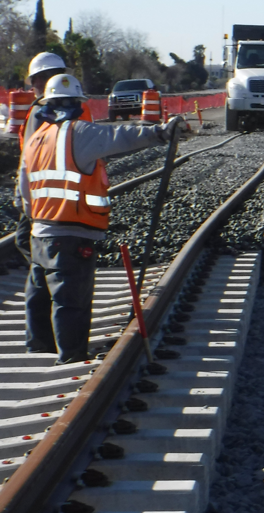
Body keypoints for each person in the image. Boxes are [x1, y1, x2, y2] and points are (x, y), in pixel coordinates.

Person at [17, 73, 185, 364]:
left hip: (40, 233)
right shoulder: (78, 133)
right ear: (78, 104)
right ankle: (70, 359)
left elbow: (23, 191)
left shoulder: (34, 140)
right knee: (71, 302)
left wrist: (39, 221)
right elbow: (119, 135)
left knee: (39, 296)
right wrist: (161, 132)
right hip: (72, 234)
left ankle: (39, 353)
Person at [13, 52, 71, 263]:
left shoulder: (40, 112)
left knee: (25, 240)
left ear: (38, 79)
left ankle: (46, 276)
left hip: (41, 191)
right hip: (66, 191)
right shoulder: (75, 109)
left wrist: (22, 195)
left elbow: (29, 158)